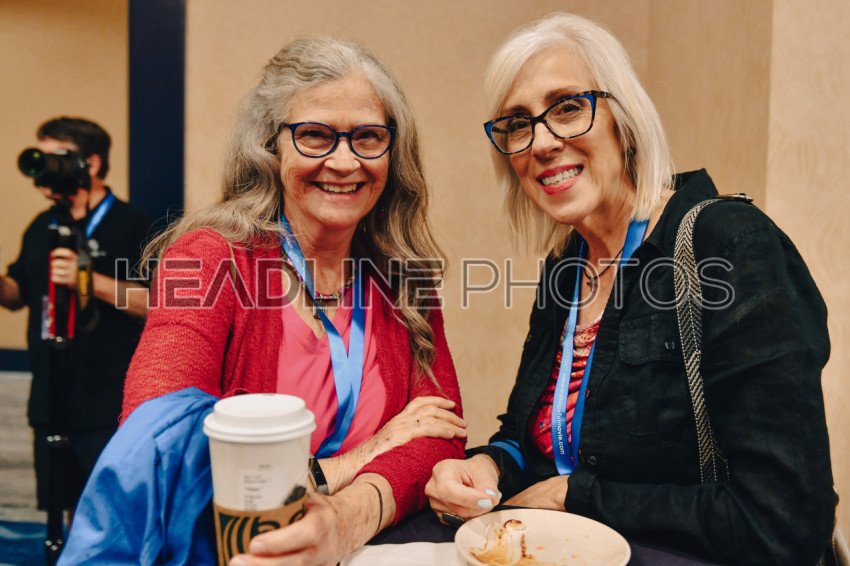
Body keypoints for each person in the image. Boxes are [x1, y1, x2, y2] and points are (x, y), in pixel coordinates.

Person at [425, 13, 835, 566]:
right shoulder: (565, 267)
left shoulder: (730, 246)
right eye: (518, 123)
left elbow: (784, 520)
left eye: (567, 107)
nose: (541, 142)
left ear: (623, 117)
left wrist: (576, 497)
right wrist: (488, 466)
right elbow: (534, 437)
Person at [60, 37, 466, 565]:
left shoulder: (405, 278)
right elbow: (164, 461)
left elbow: (441, 435)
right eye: (315, 135)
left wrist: (346, 519)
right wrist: (356, 460)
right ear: (270, 146)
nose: (345, 161)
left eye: (368, 137)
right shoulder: (204, 259)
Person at [0, 117, 151, 521]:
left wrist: (88, 279)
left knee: (112, 513)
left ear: (92, 163)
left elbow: (155, 302)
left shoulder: (133, 224)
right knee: (64, 510)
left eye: (55, 158)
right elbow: (15, 294)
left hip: (109, 400)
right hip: (52, 395)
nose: (43, 169)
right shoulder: (43, 225)